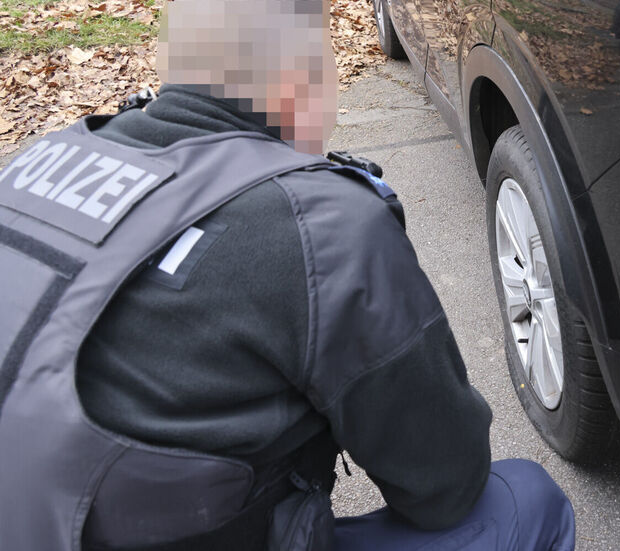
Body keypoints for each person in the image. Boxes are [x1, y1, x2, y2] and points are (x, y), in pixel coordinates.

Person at [0, 1, 575, 550]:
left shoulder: (33, 166)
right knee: (527, 502)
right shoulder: (319, 224)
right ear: (303, 74)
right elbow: (445, 483)